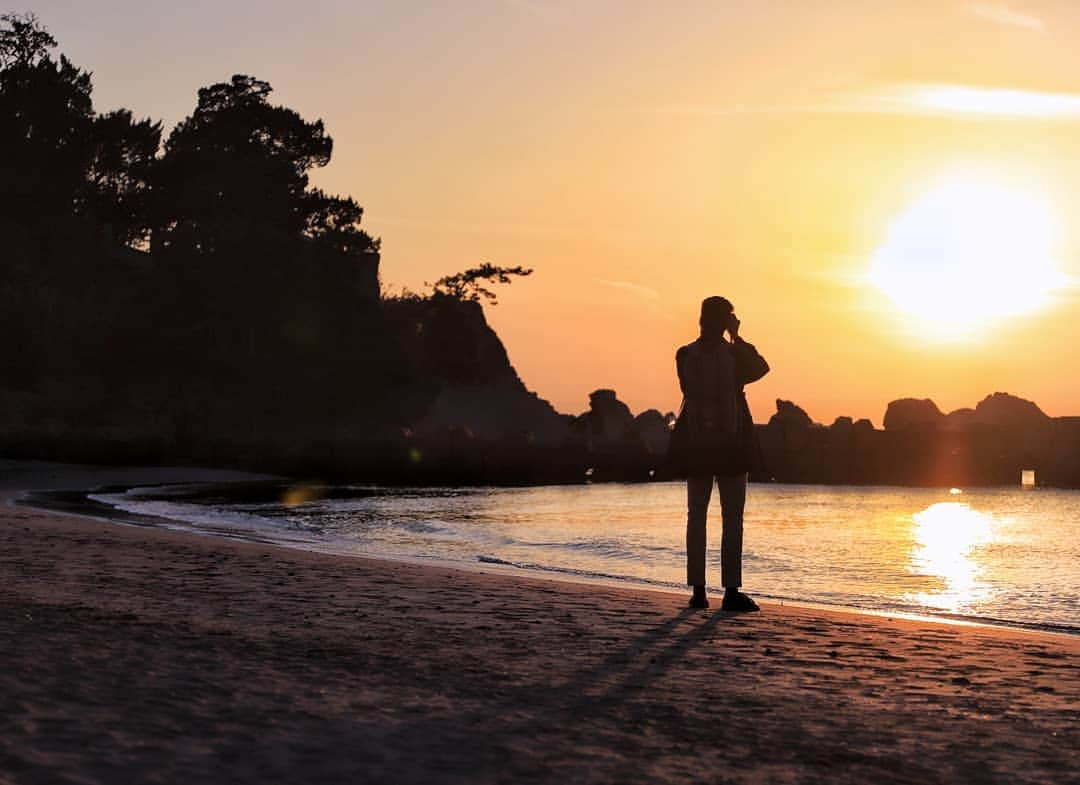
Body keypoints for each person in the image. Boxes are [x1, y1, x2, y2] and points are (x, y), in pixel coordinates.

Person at [673, 296, 769, 611]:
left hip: (697, 443)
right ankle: (730, 592)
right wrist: (737, 337)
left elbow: (688, 388)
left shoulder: (684, 354)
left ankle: (699, 592)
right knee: (732, 518)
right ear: (726, 320)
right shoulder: (733, 355)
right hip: (730, 445)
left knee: (696, 516)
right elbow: (761, 368)